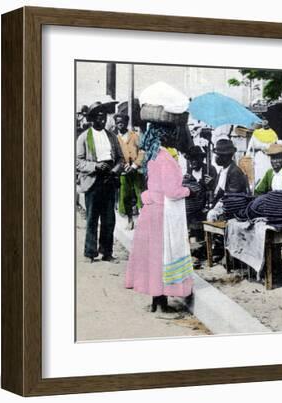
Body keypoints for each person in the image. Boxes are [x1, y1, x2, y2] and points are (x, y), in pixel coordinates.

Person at [125, 122, 194, 313]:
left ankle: (156, 301)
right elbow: (172, 191)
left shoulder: (152, 156)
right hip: (161, 214)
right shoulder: (166, 159)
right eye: (172, 134)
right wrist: (189, 191)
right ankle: (162, 305)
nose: (175, 138)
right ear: (165, 136)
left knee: (153, 257)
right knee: (163, 256)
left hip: (150, 211)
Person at [76, 101, 124, 262]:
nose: (102, 120)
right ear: (92, 119)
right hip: (93, 180)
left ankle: (107, 252)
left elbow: (120, 159)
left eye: (103, 117)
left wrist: (114, 170)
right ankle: (90, 252)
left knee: (109, 218)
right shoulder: (84, 137)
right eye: (98, 117)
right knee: (92, 218)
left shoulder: (111, 136)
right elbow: (78, 162)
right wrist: (95, 166)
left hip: (109, 179)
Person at [207, 139, 249, 221]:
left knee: (211, 215)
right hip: (222, 204)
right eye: (217, 155)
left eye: (219, 155)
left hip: (233, 208)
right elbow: (218, 190)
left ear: (227, 156)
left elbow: (232, 196)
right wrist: (211, 184)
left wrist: (214, 207)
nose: (216, 157)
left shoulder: (235, 172)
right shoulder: (222, 170)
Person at [114, 113, 145, 223]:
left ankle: (143, 220)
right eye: (117, 122)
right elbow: (114, 155)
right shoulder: (115, 138)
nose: (120, 124)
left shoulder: (134, 136)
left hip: (136, 170)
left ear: (127, 123)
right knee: (125, 195)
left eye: (122, 122)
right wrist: (122, 165)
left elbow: (142, 151)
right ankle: (130, 220)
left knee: (140, 193)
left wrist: (135, 165)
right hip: (123, 171)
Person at [184, 146, 217, 220]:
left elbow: (216, 188)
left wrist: (212, 183)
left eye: (196, 158)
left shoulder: (210, 169)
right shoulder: (189, 171)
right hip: (193, 206)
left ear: (202, 159)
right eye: (191, 159)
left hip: (206, 205)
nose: (193, 161)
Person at [247, 120, 279, 187]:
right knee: (257, 176)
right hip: (258, 157)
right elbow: (250, 147)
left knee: (267, 175)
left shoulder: (273, 134)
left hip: (268, 158)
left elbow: (275, 147)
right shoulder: (256, 133)